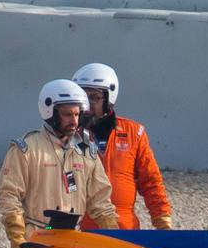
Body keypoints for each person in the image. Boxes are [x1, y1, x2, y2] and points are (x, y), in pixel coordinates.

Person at [0, 79, 119, 248]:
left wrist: (115, 237)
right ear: (50, 112)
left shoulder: (87, 151)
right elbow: (10, 195)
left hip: (74, 242)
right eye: (67, 115)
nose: (74, 121)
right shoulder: (26, 149)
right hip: (37, 242)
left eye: (77, 114)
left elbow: (101, 202)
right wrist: (17, 237)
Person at [72, 63, 173, 230]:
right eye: (82, 97)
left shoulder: (134, 133)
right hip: (83, 231)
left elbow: (151, 181)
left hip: (125, 229)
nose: (87, 104)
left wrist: (163, 222)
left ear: (109, 98)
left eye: (94, 97)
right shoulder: (68, 135)